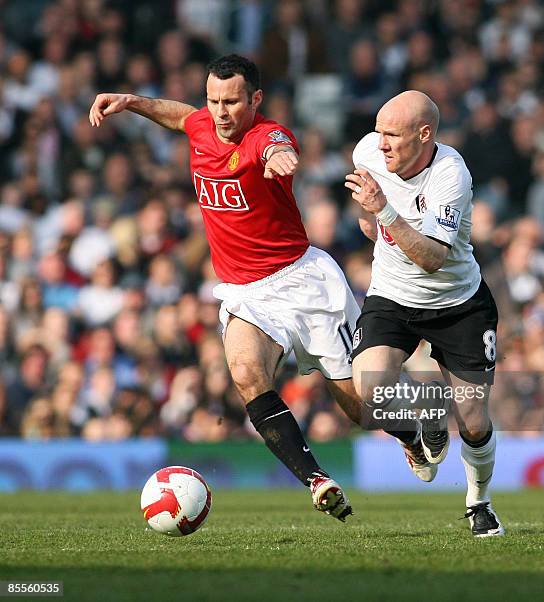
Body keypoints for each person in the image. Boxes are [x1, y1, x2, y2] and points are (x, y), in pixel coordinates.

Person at [89, 55, 376, 521]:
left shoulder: (266, 135)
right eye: (214, 100)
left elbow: (278, 146)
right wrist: (131, 102)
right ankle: (318, 481)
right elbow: (181, 116)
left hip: (303, 281)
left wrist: (281, 157)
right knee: (244, 372)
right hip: (246, 291)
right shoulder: (203, 124)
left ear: (255, 99)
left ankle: (420, 423)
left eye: (232, 102)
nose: (221, 112)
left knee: (362, 410)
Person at [345, 90, 505, 537]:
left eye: (392, 135)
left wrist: (383, 211)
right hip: (393, 297)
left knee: (473, 421)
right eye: (378, 131)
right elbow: (368, 215)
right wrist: (372, 221)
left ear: (425, 135)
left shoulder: (450, 175)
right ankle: (418, 431)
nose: (381, 144)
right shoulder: (368, 151)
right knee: (369, 391)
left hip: (458, 303)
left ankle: (479, 503)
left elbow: (432, 257)